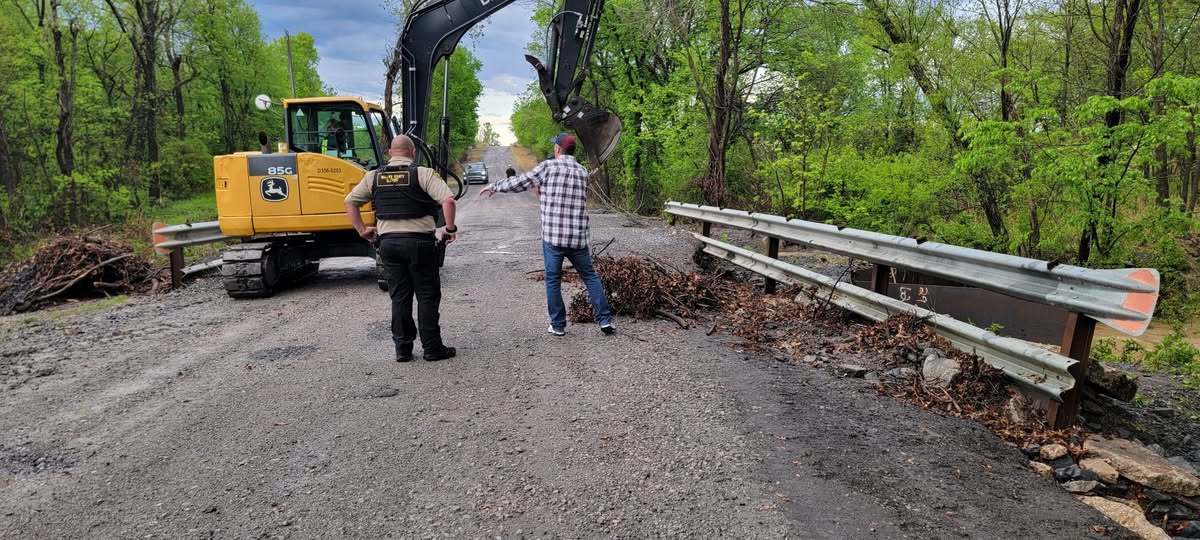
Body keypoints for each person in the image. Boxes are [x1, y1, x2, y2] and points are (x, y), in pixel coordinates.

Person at [481, 133, 614, 336]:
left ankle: (558, 325)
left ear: (558, 149)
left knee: (553, 279)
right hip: (578, 237)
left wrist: (495, 186)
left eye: (555, 147)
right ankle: (605, 320)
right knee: (589, 276)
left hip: (554, 237)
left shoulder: (548, 167)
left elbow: (521, 182)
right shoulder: (582, 171)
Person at [344, 134, 458, 362]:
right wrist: (450, 228)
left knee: (400, 297)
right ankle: (432, 348)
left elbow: (350, 201)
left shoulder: (373, 176)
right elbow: (448, 201)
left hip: (388, 245)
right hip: (420, 244)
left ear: (390, 153)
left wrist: (361, 229)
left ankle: (403, 350)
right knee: (426, 296)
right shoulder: (423, 173)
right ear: (413, 152)